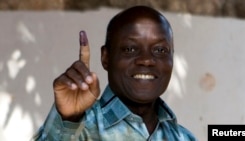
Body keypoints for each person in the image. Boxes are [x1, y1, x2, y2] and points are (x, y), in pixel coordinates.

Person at [33, 5, 197, 141]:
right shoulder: (77, 129)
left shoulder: (183, 137)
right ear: (106, 58)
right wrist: (68, 120)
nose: (146, 60)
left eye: (160, 50)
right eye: (130, 49)